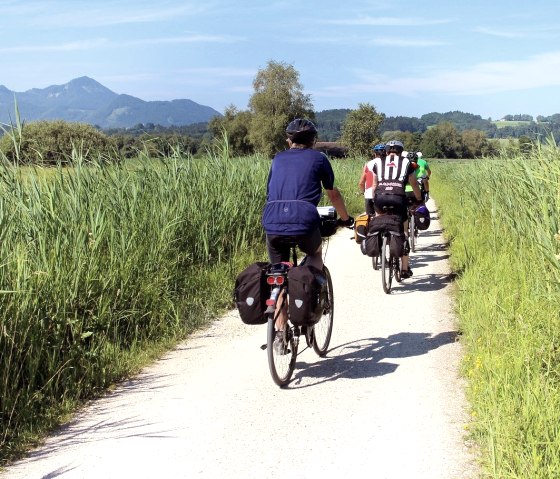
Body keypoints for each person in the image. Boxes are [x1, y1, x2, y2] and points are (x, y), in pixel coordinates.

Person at [262, 118, 354, 352]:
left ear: (289, 140)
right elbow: (333, 195)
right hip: (304, 220)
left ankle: (280, 335)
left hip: (272, 220)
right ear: (314, 140)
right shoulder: (319, 159)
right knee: (314, 253)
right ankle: (311, 301)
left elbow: (269, 192)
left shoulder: (278, 159)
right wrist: (346, 219)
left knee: (278, 272)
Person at [371, 140, 422, 279]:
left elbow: (374, 185)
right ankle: (404, 269)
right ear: (401, 151)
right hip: (398, 199)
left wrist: (373, 201)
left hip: (380, 199)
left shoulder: (378, 162)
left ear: (387, 151)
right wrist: (419, 199)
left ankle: (381, 244)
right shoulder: (407, 163)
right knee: (404, 231)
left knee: (379, 221)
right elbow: (414, 184)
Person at [358, 143, 385, 214]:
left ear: (375, 154)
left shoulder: (368, 164)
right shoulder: (389, 164)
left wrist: (363, 192)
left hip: (369, 195)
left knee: (370, 219)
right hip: (385, 195)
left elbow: (361, 182)